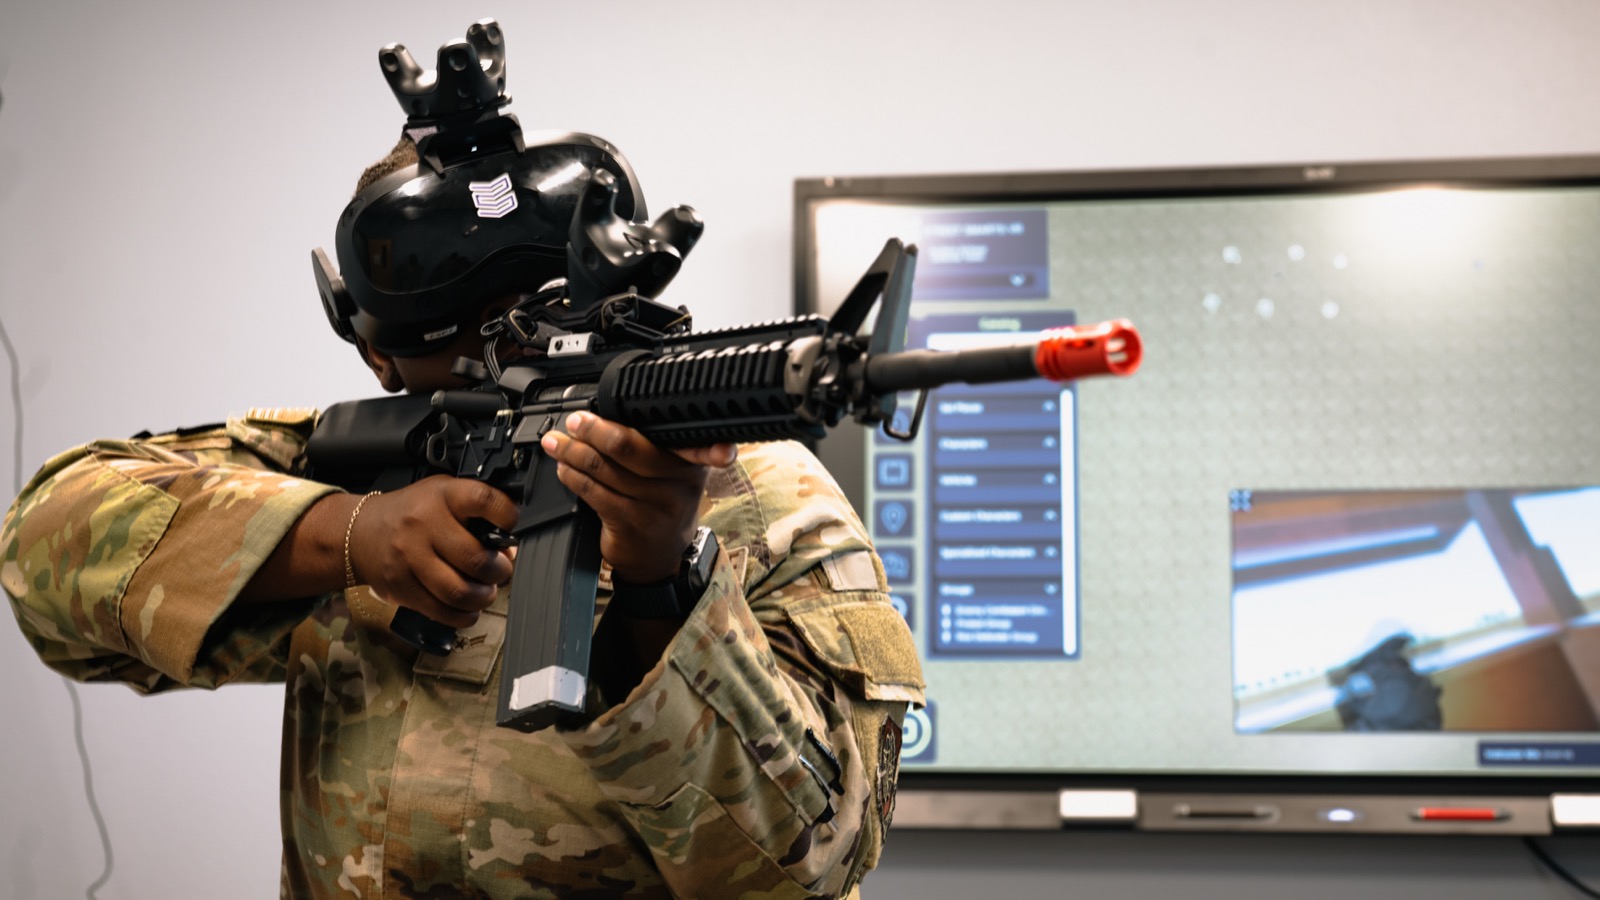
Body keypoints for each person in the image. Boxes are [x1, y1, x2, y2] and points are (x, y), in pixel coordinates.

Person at [1, 18, 923, 900]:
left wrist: (661, 586)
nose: (523, 354)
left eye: (543, 313)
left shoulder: (768, 504)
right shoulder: (357, 463)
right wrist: (350, 534)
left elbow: (813, 866)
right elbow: (44, 548)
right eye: (480, 337)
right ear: (379, 356)